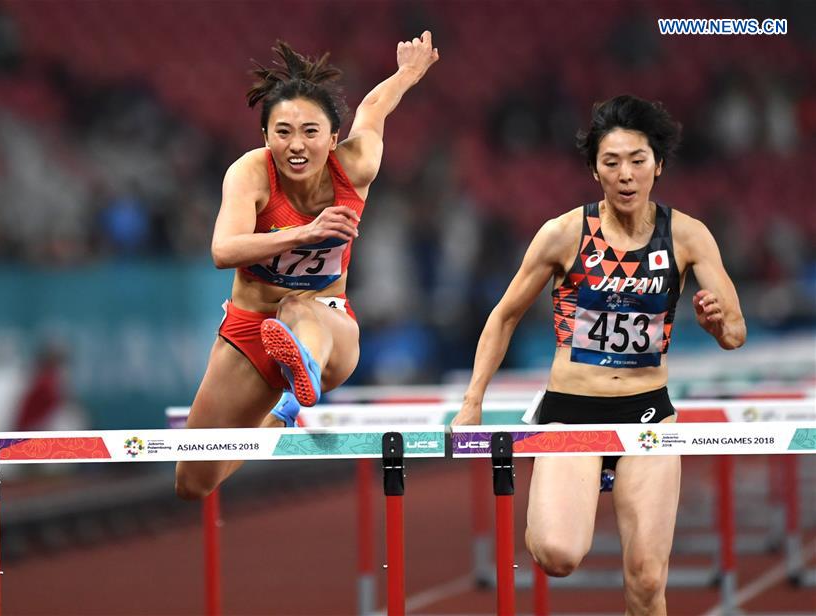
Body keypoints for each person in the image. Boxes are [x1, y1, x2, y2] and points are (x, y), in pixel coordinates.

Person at [452, 95, 746, 614]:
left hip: (648, 413)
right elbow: (504, 316)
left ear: (658, 165)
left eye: (637, 161)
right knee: (557, 555)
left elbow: (736, 333)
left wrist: (717, 323)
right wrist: (472, 401)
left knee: (647, 581)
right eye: (611, 163)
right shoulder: (563, 234)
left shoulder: (687, 235)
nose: (626, 175)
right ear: (594, 171)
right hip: (572, 413)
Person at [176, 33, 439, 499]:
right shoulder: (250, 173)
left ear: (334, 138)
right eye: (283, 132)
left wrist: (407, 74)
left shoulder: (356, 165)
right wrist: (304, 232)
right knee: (193, 483)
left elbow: (374, 108)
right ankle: (282, 413)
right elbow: (223, 250)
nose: (296, 145)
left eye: (311, 132)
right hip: (248, 329)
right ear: (265, 137)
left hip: (329, 326)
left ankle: (305, 374)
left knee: (295, 307)